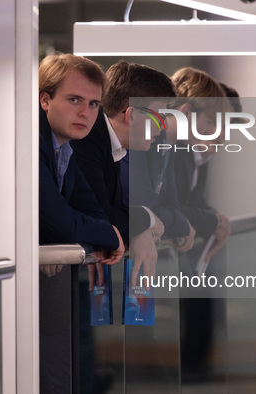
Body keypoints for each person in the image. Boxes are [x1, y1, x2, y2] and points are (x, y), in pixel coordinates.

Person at [38, 53, 125, 394]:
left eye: (93, 104)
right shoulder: (31, 144)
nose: (85, 113)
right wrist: (110, 236)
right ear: (45, 99)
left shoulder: (65, 149)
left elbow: (93, 211)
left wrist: (107, 233)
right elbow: (63, 221)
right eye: (74, 100)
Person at [72, 60, 178, 282]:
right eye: (159, 117)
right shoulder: (87, 140)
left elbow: (113, 209)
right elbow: (101, 216)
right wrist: (146, 218)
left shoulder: (114, 145)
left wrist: (140, 229)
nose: (163, 127)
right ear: (130, 115)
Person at [167, 67, 234, 383]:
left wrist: (213, 218)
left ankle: (194, 364)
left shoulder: (196, 155)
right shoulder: (167, 150)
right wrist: (211, 220)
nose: (220, 135)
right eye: (212, 124)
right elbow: (171, 208)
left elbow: (195, 204)